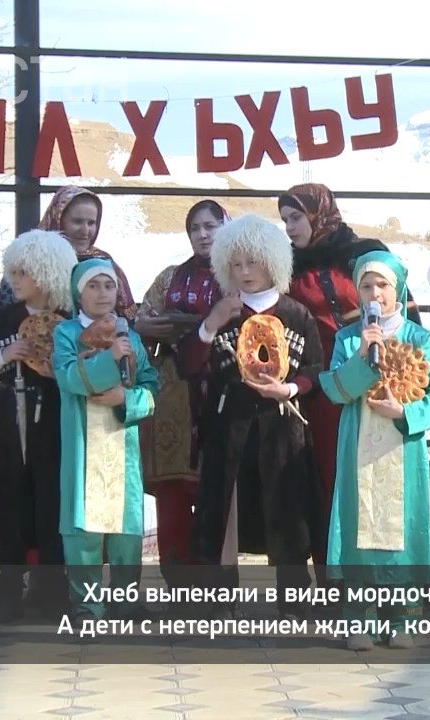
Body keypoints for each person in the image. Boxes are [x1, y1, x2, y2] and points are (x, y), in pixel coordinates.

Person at [186, 215, 325, 621]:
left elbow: (316, 368)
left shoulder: (296, 314)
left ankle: (294, 600)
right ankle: (218, 599)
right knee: (222, 513)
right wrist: (210, 324)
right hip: (228, 423)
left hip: (282, 425)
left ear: (273, 262)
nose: (244, 272)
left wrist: (292, 388)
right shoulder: (223, 311)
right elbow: (189, 366)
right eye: (236, 264)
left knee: (289, 511)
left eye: (253, 262)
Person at [280, 183, 423, 570]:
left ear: (319, 215)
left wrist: (412, 371)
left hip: (382, 379)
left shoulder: (364, 254)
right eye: (285, 220)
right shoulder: (286, 267)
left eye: (296, 217)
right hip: (323, 389)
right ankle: (338, 577)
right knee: (330, 478)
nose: (290, 227)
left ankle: (391, 576)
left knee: (382, 476)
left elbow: (402, 308)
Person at [318, 250, 430, 650]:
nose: (375, 293)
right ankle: (359, 619)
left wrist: (404, 412)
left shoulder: (419, 339)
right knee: (358, 526)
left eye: (382, 285)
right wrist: (362, 356)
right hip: (357, 448)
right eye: (366, 286)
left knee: (401, 528)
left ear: (399, 290)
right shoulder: (348, 339)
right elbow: (335, 390)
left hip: (402, 450)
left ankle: (402, 618)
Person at [0, 229, 78, 623]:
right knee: (7, 499)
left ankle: (54, 591)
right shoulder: (0, 322)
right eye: (13, 271)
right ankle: (7, 592)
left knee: (54, 500)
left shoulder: (71, 323)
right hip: (9, 418)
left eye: (24, 271)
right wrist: (3, 356)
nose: (14, 279)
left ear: (47, 273)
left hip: (58, 416)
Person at [52, 259, 159, 621]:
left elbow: (150, 386)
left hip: (121, 445)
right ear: (78, 293)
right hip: (83, 447)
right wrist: (110, 359)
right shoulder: (66, 333)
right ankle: (87, 605)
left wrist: (125, 399)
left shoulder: (130, 336)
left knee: (126, 529)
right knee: (84, 527)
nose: (102, 294)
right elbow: (68, 377)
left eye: (109, 285)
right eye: (93, 286)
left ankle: (126, 600)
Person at [134, 199, 229, 587]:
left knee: (218, 491)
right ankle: (177, 584)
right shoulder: (169, 278)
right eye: (195, 228)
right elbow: (143, 323)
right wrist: (149, 329)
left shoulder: (239, 275)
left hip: (221, 393)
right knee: (172, 493)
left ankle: (217, 588)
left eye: (211, 226)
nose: (202, 235)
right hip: (172, 396)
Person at [0, 186, 136, 321]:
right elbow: (2, 316)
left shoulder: (103, 262)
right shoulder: (26, 259)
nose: (85, 231)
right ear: (58, 219)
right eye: (77, 222)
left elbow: (127, 318)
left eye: (91, 223)